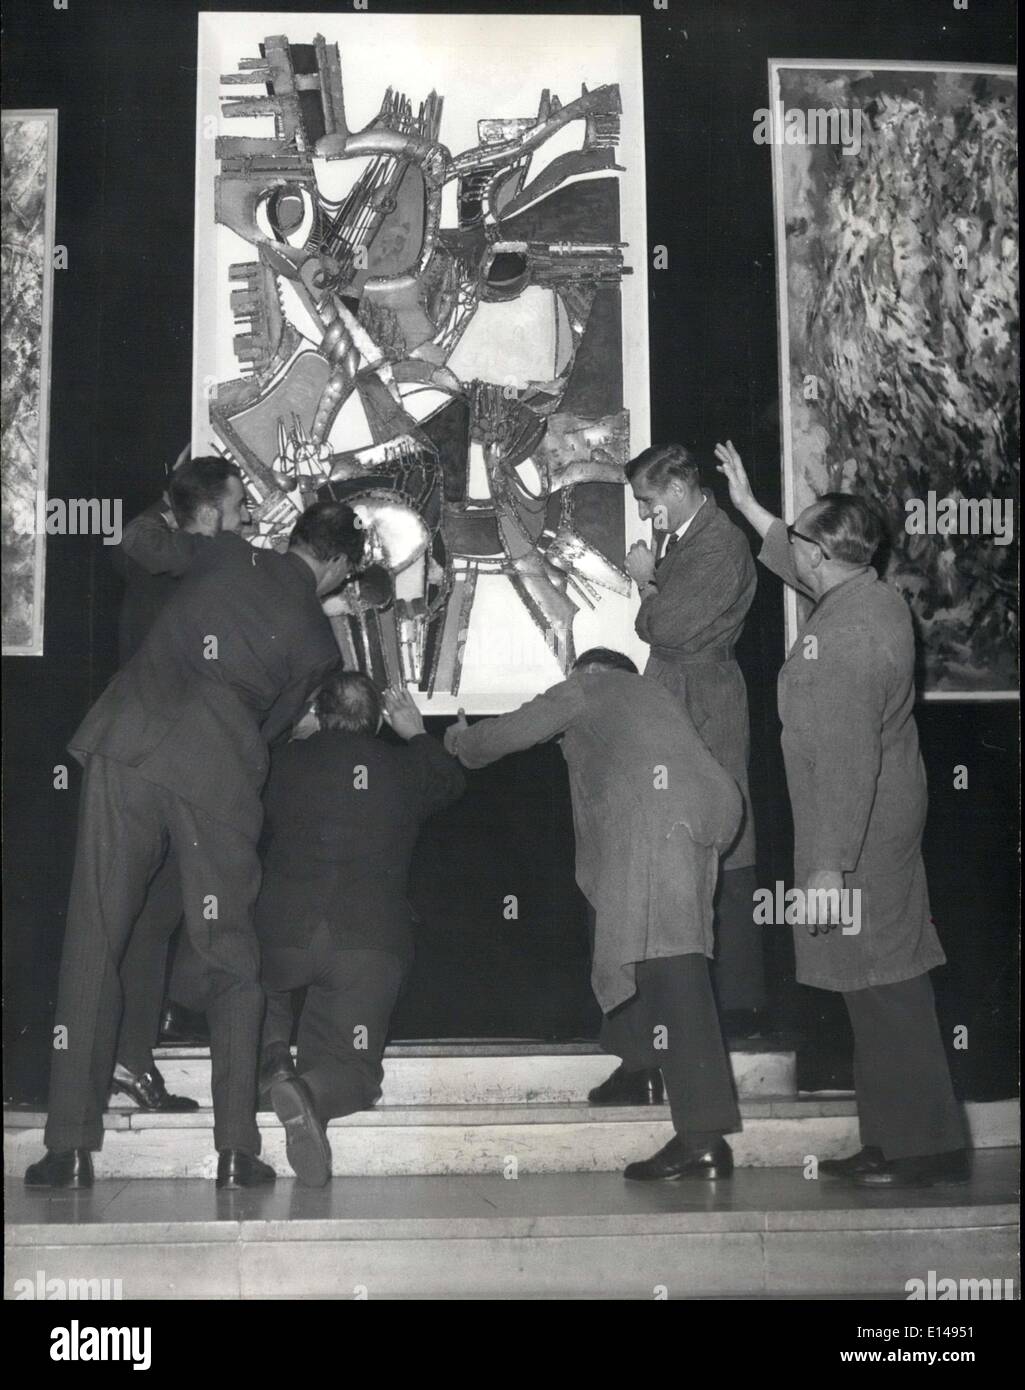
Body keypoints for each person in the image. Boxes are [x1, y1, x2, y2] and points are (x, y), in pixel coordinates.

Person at [24, 500, 363, 1191]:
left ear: (292, 536)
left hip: (128, 745)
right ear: (336, 565)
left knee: (95, 939)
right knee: (229, 957)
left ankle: (67, 1149)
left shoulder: (223, 551)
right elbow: (269, 727)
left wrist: (203, 528)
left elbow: (137, 544)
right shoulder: (320, 646)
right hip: (218, 775)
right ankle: (237, 1151)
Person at [715, 440, 969, 1188]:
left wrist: (828, 864)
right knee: (871, 983)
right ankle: (894, 1138)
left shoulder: (848, 635)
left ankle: (925, 1147)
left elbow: (851, 757)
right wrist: (750, 506)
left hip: (857, 831)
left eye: (800, 543)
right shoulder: (865, 593)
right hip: (872, 820)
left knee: (886, 983)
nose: (795, 556)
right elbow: (802, 559)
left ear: (822, 557)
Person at [445, 649, 744, 1181]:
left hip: (659, 818)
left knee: (674, 968)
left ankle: (703, 1138)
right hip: (708, 810)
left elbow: (513, 731)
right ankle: (639, 1066)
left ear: (587, 671)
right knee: (646, 947)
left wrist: (459, 740)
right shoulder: (653, 697)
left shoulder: (590, 688)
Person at [255, 675, 466, 1186]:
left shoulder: (282, 762)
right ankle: (311, 1094)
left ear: (320, 714)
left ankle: (272, 1062)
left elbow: (248, 771)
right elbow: (452, 782)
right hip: (368, 943)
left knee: (265, 993)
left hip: (282, 936)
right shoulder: (404, 767)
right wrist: (415, 732)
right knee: (355, 1068)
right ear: (376, 720)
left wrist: (297, 732)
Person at [109, 455, 251, 1114]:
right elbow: (140, 539)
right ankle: (136, 1061)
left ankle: (131, 1060)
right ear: (209, 509)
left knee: (154, 919)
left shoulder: (195, 561)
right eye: (238, 503)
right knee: (171, 916)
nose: (246, 515)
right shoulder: (160, 547)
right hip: (173, 765)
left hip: (158, 760)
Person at [623, 444, 764, 1065]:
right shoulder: (691, 536)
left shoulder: (718, 543)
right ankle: (707, 1001)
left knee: (720, 847)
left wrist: (645, 581)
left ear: (677, 489)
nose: (645, 514)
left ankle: (736, 1006)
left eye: (647, 502)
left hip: (702, 707)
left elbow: (667, 628)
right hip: (686, 699)